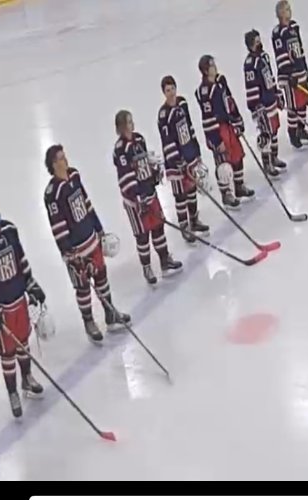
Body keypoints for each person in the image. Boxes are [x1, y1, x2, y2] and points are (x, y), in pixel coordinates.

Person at [43, 145, 131, 342]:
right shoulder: (52, 194)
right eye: (61, 158)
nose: (65, 160)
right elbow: (58, 226)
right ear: (54, 164)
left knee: (102, 277)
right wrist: (70, 254)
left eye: (64, 156)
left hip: (91, 239)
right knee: (83, 287)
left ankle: (110, 314)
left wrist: (99, 229)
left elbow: (86, 203)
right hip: (76, 250)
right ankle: (89, 321)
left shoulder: (74, 176)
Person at [0, 194, 48, 418]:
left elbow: (21, 259)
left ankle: (27, 378)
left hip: (18, 299)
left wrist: (30, 284)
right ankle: (12, 391)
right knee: (7, 353)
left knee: (23, 342)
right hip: (1, 307)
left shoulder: (10, 230)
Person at [113, 110, 184, 285]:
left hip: (149, 193)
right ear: (122, 127)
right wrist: (137, 197)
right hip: (135, 201)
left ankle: (165, 260)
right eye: (129, 122)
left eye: (131, 121)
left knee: (158, 227)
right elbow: (126, 175)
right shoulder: (120, 149)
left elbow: (145, 164)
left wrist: (154, 174)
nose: (132, 124)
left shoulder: (139, 140)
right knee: (142, 235)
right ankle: (146, 267)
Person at [156, 75, 212, 243]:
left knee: (192, 190)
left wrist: (196, 151)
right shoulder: (163, 115)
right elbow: (167, 140)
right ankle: (184, 226)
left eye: (172, 88)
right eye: (167, 90)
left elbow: (189, 126)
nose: (171, 93)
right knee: (180, 195)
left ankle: (194, 220)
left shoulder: (182, 103)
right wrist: (177, 160)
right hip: (175, 163)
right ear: (164, 93)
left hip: (189, 155)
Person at [195, 54, 255, 209]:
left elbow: (230, 101)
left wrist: (237, 120)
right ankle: (226, 194)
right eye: (211, 66)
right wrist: (216, 139)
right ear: (205, 70)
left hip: (228, 125)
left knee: (237, 154)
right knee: (223, 164)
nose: (215, 67)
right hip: (216, 129)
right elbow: (207, 117)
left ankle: (239, 186)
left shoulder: (220, 82)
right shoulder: (204, 91)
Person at [242, 30, 288, 179]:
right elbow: (251, 86)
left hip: (270, 100)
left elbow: (270, 78)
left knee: (274, 129)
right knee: (266, 133)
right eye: (256, 41)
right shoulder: (250, 64)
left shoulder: (263, 58)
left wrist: (277, 94)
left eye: (259, 40)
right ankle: (267, 163)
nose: (259, 43)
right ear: (250, 45)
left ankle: (274, 157)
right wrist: (256, 106)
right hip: (262, 105)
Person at [272, 0, 308, 149]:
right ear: (280, 13)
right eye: (286, 9)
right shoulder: (278, 33)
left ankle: (301, 128)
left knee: (303, 103)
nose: (289, 11)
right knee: (293, 106)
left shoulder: (294, 28)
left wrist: (305, 70)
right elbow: (281, 55)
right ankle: (292, 132)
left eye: (289, 8)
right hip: (289, 77)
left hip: (300, 72)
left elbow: (299, 50)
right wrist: (289, 74)